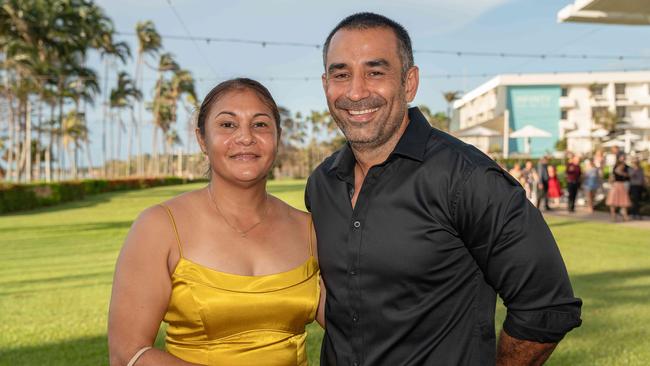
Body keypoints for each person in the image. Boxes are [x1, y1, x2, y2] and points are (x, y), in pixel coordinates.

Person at [306, 12, 581, 366]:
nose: (356, 91)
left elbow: (546, 305)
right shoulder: (321, 184)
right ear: (326, 83)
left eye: (375, 72)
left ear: (409, 82)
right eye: (342, 74)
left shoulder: (468, 178)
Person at [108, 78, 324, 366]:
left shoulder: (309, 229)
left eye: (260, 125)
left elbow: (354, 325)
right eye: (227, 125)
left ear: (278, 137)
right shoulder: (160, 227)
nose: (245, 137)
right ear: (202, 139)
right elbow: (128, 354)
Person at [606, 155, 632, 221]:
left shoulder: (626, 167)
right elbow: (612, 177)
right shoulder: (615, 167)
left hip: (622, 185)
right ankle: (613, 216)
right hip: (616, 185)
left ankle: (625, 216)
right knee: (613, 201)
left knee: (623, 201)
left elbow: (628, 176)